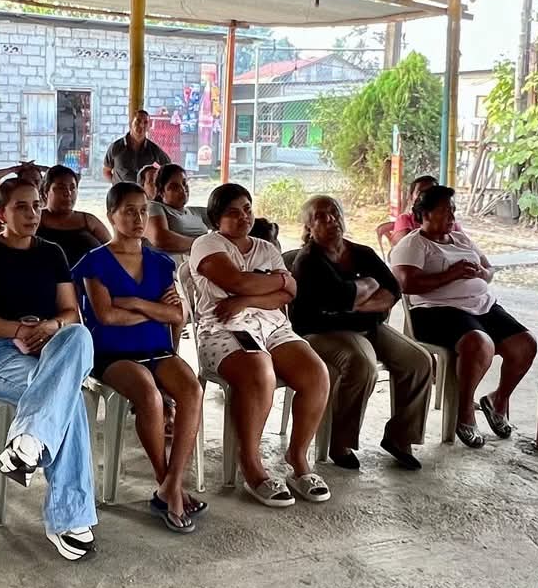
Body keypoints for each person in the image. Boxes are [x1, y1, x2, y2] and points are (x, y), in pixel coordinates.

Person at [0, 177, 99, 560]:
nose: (32, 213)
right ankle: (69, 518)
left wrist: (49, 327)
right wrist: (18, 331)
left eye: (36, 205)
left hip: (51, 351)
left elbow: (70, 313)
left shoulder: (52, 253)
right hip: (0, 354)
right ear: (1, 214)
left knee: (79, 336)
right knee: (69, 402)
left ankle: (29, 441)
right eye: (21, 206)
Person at [186, 183, 330, 507]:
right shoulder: (207, 244)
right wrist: (278, 281)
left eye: (247, 209)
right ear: (216, 218)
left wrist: (247, 298)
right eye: (233, 212)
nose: (243, 217)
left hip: (273, 326)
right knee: (259, 370)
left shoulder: (265, 247)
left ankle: (298, 458)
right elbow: (236, 280)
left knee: (315, 373)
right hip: (224, 328)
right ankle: (251, 464)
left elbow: (288, 294)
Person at [75, 181, 204, 531]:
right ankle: (168, 484)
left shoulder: (160, 262)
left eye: (143, 211)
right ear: (111, 215)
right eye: (129, 211)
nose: (138, 218)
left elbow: (177, 315)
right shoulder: (94, 262)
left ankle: (169, 487)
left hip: (157, 349)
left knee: (192, 389)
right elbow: (106, 316)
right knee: (148, 392)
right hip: (111, 353)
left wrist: (133, 303)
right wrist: (153, 310)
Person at [289, 196, 432, 471]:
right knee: (362, 364)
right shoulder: (309, 261)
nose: (331, 219)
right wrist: (366, 287)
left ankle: (400, 436)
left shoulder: (361, 252)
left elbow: (392, 290)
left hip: (368, 326)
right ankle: (340, 442)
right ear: (308, 227)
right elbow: (340, 297)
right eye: (321, 216)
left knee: (419, 360)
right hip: (321, 332)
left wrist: (357, 302)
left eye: (335, 213)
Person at [389, 185, 536, 449]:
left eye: (453, 210)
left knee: (525, 344)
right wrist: (452, 274)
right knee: (479, 343)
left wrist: (482, 273)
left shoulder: (460, 239)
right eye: (445, 211)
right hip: (436, 311)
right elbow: (407, 284)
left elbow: (489, 269)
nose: (452, 216)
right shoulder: (413, 244)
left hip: (482, 306)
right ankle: (465, 410)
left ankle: (498, 400)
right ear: (425, 213)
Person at [37, 164, 108, 267]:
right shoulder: (35, 219)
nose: (68, 193)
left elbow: (114, 251)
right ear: (45, 192)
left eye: (72, 188)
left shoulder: (89, 220)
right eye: (61, 188)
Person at [145, 162, 207, 256]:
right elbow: (160, 239)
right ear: (161, 193)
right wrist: (201, 244)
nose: (182, 189)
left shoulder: (196, 212)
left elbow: (223, 217)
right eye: (174, 187)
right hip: (176, 263)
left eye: (184, 183)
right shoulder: (154, 207)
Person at [103, 108, 168, 186]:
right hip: (121, 192)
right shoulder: (116, 147)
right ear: (131, 123)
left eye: (145, 122)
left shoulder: (153, 149)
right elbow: (106, 171)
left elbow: (169, 168)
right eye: (138, 121)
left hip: (141, 193)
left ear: (149, 127)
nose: (142, 125)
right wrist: (116, 186)